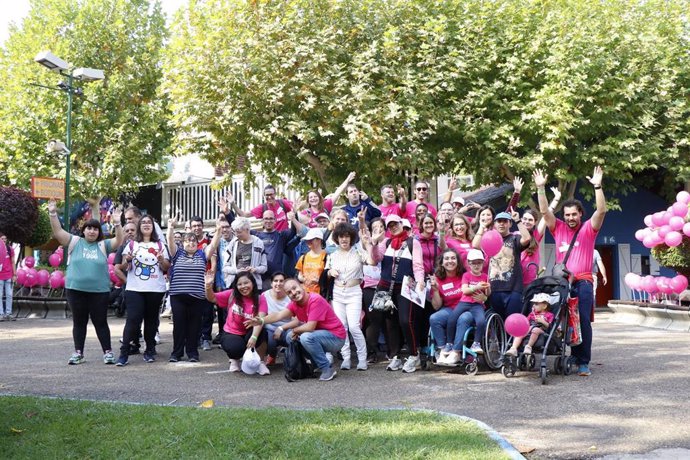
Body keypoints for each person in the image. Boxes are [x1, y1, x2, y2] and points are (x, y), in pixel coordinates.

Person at [534, 166, 607, 376]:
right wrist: (541, 189)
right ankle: (571, 355)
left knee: (582, 320)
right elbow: (544, 212)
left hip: (583, 281)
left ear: (580, 214)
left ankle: (583, 361)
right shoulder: (557, 227)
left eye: (574, 214)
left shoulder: (588, 229)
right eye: (567, 215)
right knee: (562, 320)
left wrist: (597, 186)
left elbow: (601, 211)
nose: (570, 218)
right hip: (562, 282)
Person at [47, 199, 123, 365]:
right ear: (84, 230)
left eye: (95, 229)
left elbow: (119, 241)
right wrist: (53, 213)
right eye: (89, 228)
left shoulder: (103, 245)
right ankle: (78, 353)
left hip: (99, 292)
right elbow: (58, 231)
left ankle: (108, 352)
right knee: (79, 322)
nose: (92, 231)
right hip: (76, 290)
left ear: (99, 232)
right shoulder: (74, 242)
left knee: (100, 322)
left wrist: (117, 224)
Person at [245, 279, 347, 381]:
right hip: (321, 336)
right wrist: (261, 321)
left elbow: (310, 327)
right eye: (289, 292)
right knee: (290, 337)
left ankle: (327, 369)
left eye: (294, 288)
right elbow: (279, 315)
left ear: (302, 286)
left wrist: (295, 331)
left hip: (336, 338)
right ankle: (316, 364)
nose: (293, 293)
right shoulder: (295, 304)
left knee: (305, 337)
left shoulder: (315, 300)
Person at [369, 214, 426, 373]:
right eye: (390, 225)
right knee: (390, 322)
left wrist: (420, 281)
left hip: (405, 287)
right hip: (385, 287)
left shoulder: (412, 242)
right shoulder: (386, 242)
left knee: (405, 321)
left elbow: (418, 266)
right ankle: (395, 355)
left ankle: (414, 354)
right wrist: (374, 243)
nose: (393, 227)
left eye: (396, 224)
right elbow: (375, 259)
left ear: (402, 224)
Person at [115, 215, 171, 366]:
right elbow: (124, 267)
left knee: (151, 321)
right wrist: (127, 260)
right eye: (143, 222)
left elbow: (166, 268)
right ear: (139, 226)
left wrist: (160, 260)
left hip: (155, 288)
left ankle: (150, 349)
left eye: (149, 223)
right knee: (133, 320)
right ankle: (124, 351)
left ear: (153, 227)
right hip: (134, 288)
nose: (146, 225)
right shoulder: (132, 244)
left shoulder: (160, 245)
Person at [166, 217, 219, 362]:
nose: (191, 243)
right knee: (179, 325)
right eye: (188, 241)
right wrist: (170, 227)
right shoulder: (177, 254)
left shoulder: (202, 254)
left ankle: (192, 353)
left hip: (197, 297)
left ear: (197, 244)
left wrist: (219, 229)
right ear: (183, 244)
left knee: (194, 326)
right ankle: (176, 353)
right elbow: (170, 241)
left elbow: (213, 245)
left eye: (193, 241)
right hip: (178, 296)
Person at [205, 270, 270, 375]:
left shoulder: (260, 298)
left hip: (250, 330)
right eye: (239, 284)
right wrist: (208, 285)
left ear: (253, 283)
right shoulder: (232, 295)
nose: (243, 286)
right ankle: (234, 360)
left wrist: (254, 337)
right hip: (232, 332)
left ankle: (261, 362)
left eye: (246, 283)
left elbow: (260, 319)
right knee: (235, 347)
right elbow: (211, 298)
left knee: (262, 333)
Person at [326, 223, 370, 371]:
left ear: (351, 238)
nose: (344, 239)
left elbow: (371, 261)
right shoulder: (332, 255)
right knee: (342, 327)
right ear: (337, 239)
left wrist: (368, 244)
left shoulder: (358, 252)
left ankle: (362, 358)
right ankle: (346, 358)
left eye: (347, 236)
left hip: (354, 292)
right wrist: (330, 271)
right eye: (341, 236)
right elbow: (326, 271)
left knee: (354, 327)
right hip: (337, 293)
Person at [474, 210, 530, 319]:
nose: (501, 224)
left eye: (505, 221)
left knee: (512, 320)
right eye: (499, 221)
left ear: (510, 223)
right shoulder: (489, 238)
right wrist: (482, 226)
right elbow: (475, 245)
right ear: (494, 224)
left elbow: (527, 239)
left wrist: (518, 220)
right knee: (497, 321)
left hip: (513, 288)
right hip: (494, 288)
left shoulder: (514, 238)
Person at [519, 189, 560, 287]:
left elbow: (547, 214)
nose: (527, 221)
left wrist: (556, 199)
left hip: (530, 282)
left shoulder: (536, 235)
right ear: (520, 220)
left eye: (530, 220)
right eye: (524, 219)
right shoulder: (514, 235)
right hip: (516, 281)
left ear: (534, 222)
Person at [252, 210, 296, 290]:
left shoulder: (281, 236)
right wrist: (228, 214)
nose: (268, 221)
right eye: (266, 218)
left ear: (275, 220)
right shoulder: (255, 235)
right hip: (259, 277)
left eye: (271, 218)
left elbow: (294, 231)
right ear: (262, 221)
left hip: (276, 279)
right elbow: (240, 229)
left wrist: (294, 215)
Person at [221, 217, 267, 290]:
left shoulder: (259, 243)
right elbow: (225, 268)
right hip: (235, 283)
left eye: (239, 232)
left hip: (254, 284)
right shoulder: (232, 244)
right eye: (235, 232)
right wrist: (237, 271)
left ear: (247, 230)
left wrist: (255, 269)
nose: (236, 235)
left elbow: (264, 267)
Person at [229, 185, 294, 231]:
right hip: (272, 239)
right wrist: (233, 203)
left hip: (285, 238)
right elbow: (243, 214)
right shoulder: (263, 207)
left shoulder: (282, 203)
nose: (269, 197)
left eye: (271, 194)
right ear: (264, 196)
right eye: (267, 195)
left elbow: (297, 206)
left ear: (275, 194)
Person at [260, 272, 292, 365]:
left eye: (281, 281)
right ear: (271, 283)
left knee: (293, 338)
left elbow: (295, 320)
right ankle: (272, 355)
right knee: (269, 341)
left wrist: (281, 328)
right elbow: (262, 315)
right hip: (270, 328)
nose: (278, 284)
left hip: (287, 327)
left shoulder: (290, 296)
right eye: (275, 281)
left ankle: (295, 356)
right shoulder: (264, 296)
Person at [295, 228, 328, 295]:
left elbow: (329, 277)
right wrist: (302, 279)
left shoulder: (327, 257)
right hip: (305, 294)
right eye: (307, 240)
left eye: (311, 240)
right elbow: (299, 274)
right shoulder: (303, 257)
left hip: (320, 294)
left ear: (319, 240)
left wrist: (319, 281)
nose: (308, 242)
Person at [0, 234, 16, 321]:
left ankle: (8, 314)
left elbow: (13, 261)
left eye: (5, 238)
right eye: (2, 238)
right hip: (0, 276)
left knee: (9, 295)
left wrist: (15, 274)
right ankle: (1, 314)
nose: (4, 240)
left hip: (8, 275)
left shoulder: (10, 249)